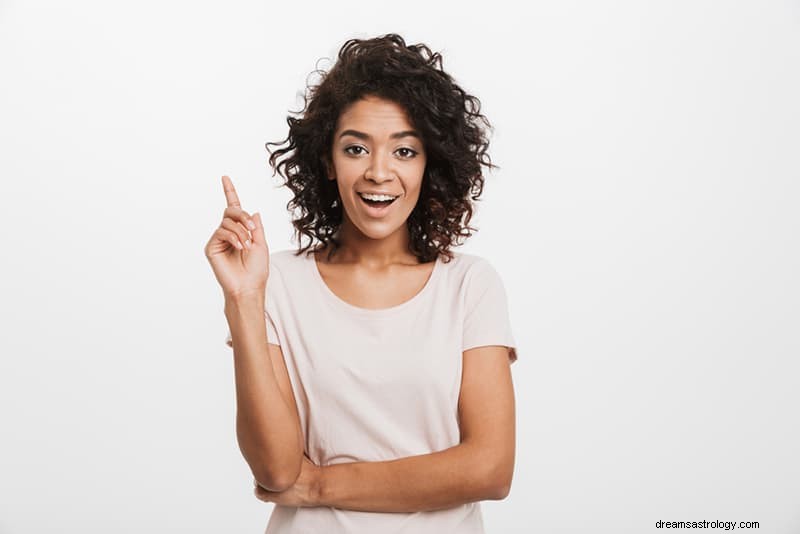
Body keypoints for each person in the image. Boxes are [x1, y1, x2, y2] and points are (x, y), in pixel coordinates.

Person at [204, 33, 518, 534]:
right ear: (327, 161)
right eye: (356, 148)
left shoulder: (469, 285)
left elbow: (490, 468)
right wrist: (244, 299)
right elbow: (277, 470)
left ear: (429, 164)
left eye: (404, 152)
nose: (378, 172)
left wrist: (320, 486)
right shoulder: (276, 281)